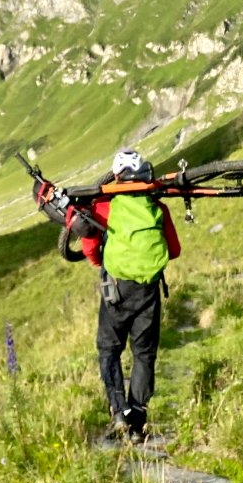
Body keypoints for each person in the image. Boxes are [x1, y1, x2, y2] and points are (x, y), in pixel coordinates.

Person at [75, 147, 173, 443]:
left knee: (109, 349)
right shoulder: (156, 207)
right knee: (144, 353)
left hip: (115, 290)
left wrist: (98, 262)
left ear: (116, 176)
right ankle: (138, 416)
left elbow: (90, 247)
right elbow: (175, 250)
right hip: (148, 290)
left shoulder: (105, 206)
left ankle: (118, 412)